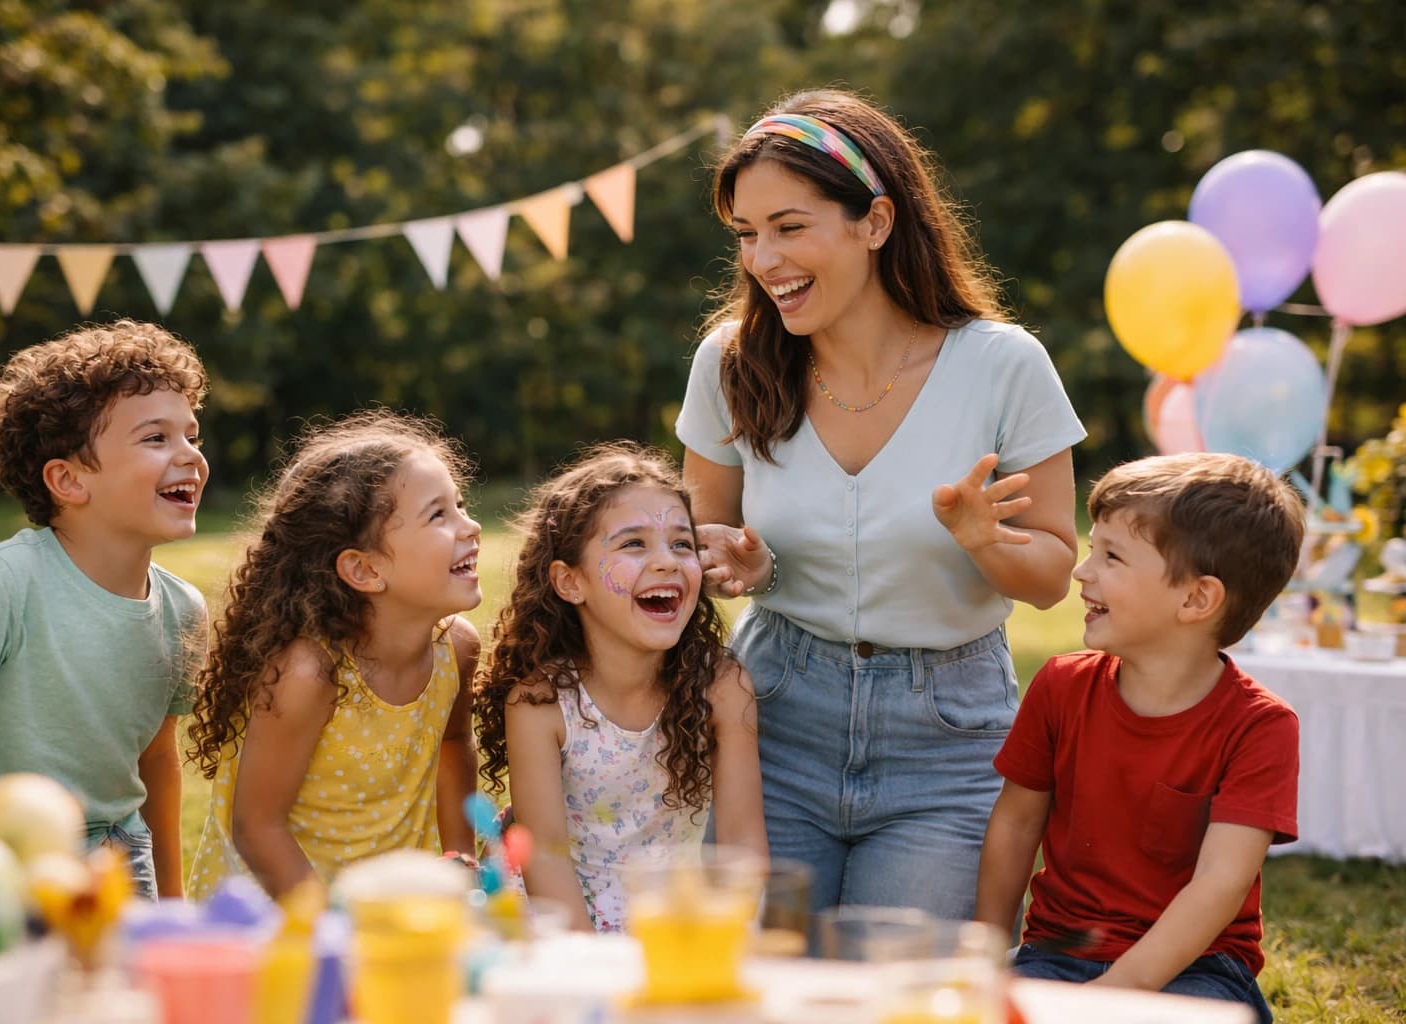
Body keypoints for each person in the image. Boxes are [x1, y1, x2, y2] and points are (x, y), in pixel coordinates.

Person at [675, 88, 1085, 917]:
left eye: (790, 228)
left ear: (876, 222)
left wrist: (985, 542)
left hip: (945, 740)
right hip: (774, 719)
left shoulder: (1005, 366)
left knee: (904, 996)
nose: (763, 260)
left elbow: (1049, 579)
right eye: (748, 235)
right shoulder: (732, 362)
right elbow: (691, 534)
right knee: (755, 987)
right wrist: (734, 557)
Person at [975, 453, 1306, 1023]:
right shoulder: (1061, 687)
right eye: (1091, 549)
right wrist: (982, 958)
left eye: (1111, 556)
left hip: (1198, 968)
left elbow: (1218, 886)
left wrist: (1112, 997)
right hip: (1060, 953)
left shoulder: (1262, 727)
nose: (1082, 572)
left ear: (1196, 599)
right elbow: (1015, 824)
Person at [0, 319, 210, 899]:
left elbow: (158, 760)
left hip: (121, 860)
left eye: (192, 435)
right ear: (68, 480)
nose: (189, 455)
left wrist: (172, 899)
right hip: (5, 858)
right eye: (156, 438)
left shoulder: (183, 611)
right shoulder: (5, 583)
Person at [185, 409, 481, 899]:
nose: (470, 526)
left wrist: (459, 860)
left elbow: (454, 745)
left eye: (461, 505)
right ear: (364, 571)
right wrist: (330, 933)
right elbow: (258, 827)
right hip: (280, 918)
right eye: (439, 515)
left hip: (391, 914)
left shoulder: (457, 648)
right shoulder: (308, 672)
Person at [474, 443, 767, 932]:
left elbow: (742, 847)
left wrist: (732, 942)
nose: (668, 562)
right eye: (634, 544)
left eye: (681, 544)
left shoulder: (722, 685)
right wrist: (590, 967)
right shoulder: (540, 703)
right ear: (570, 582)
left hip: (664, 922)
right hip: (552, 926)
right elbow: (545, 857)